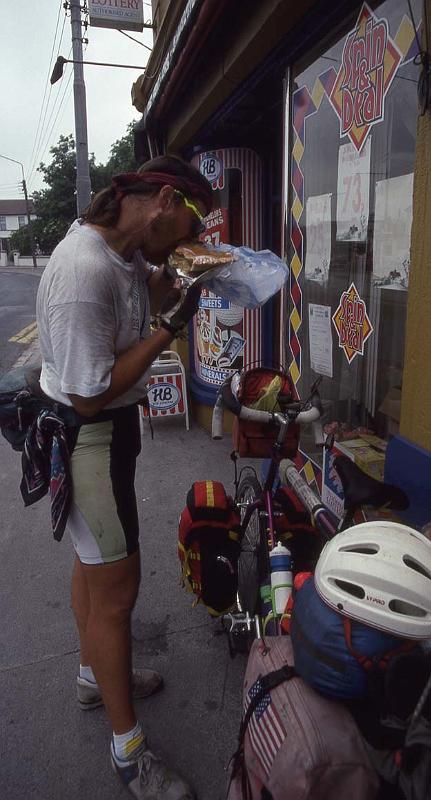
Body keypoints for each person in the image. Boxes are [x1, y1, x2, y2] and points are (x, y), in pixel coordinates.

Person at [36, 155, 214, 800]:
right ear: (164, 199)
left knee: (94, 565)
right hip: (91, 436)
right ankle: (130, 752)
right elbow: (87, 396)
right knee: (117, 591)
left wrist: (187, 279)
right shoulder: (86, 271)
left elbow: (150, 290)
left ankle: (93, 677)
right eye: (192, 220)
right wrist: (171, 328)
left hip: (105, 437)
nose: (192, 235)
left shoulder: (123, 251)